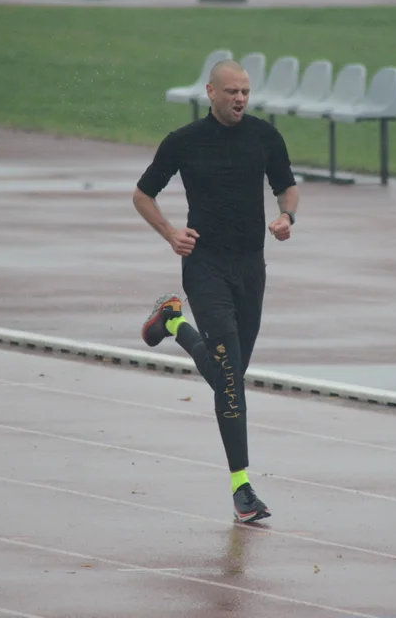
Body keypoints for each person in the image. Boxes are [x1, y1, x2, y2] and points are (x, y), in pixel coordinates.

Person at [132, 59, 300, 523]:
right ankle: (242, 487)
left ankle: (172, 322)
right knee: (229, 380)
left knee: (231, 372)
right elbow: (143, 195)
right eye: (232, 92)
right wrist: (170, 233)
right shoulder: (184, 143)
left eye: (245, 91)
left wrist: (287, 217)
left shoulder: (265, 137)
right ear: (210, 92)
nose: (240, 99)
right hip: (204, 268)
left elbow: (286, 186)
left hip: (251, 270)